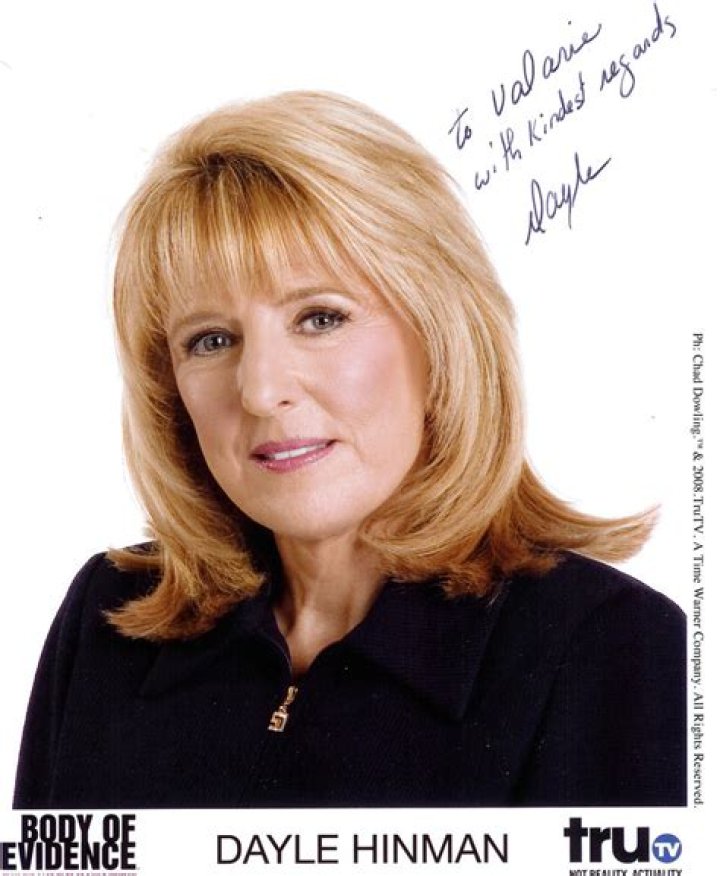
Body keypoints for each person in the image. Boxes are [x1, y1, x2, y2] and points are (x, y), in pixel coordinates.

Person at [14, 91, 685, 808]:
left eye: (320, 318)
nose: (260, 390)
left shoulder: (613, 647)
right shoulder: (109, 618)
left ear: (441, 337)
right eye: (211, 340)